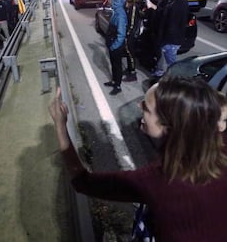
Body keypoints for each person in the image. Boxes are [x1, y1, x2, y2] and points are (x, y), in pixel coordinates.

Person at [49, 76, 227, 241]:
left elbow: (82, 181)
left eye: (146, 108)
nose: (139, 106)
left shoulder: (155, 181)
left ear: (170, 125)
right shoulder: (218, 146)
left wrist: (60, 126)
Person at [151, 0, 189, 77]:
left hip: (171, 41)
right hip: (170, 40)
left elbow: (172, 25)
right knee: (168, 65)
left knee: (171, 67)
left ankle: (172, 85)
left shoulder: (178, 4)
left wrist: (163, 41)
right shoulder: (177, 0)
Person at [104, 0, 127, 95]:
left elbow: (121, 34)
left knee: (117, 66)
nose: (109, 0)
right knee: (113, 64)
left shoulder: (120, 15)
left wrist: (114, 46)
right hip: (113, 44)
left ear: (116, 0)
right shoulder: (116, 11)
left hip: (116, 46)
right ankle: (114, 81)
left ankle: (118, 85)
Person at [122, 0, 143, 82]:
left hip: (131, 34)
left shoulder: (134, 6)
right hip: (129, 32)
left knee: (130, 54)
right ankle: (129, 69)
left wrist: (127, 34)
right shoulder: (129, 4)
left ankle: (133, 74)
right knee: (128, 52)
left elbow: (132, 22)